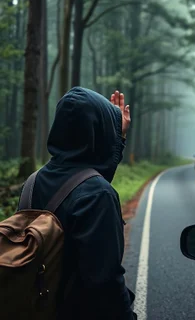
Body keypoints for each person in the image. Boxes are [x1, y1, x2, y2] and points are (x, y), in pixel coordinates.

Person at [21, 86, 137, 320]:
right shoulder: (98, 196)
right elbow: (106, 287)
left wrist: (118, 139)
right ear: (98, 132)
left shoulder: (33, 182)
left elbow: (83, 182)